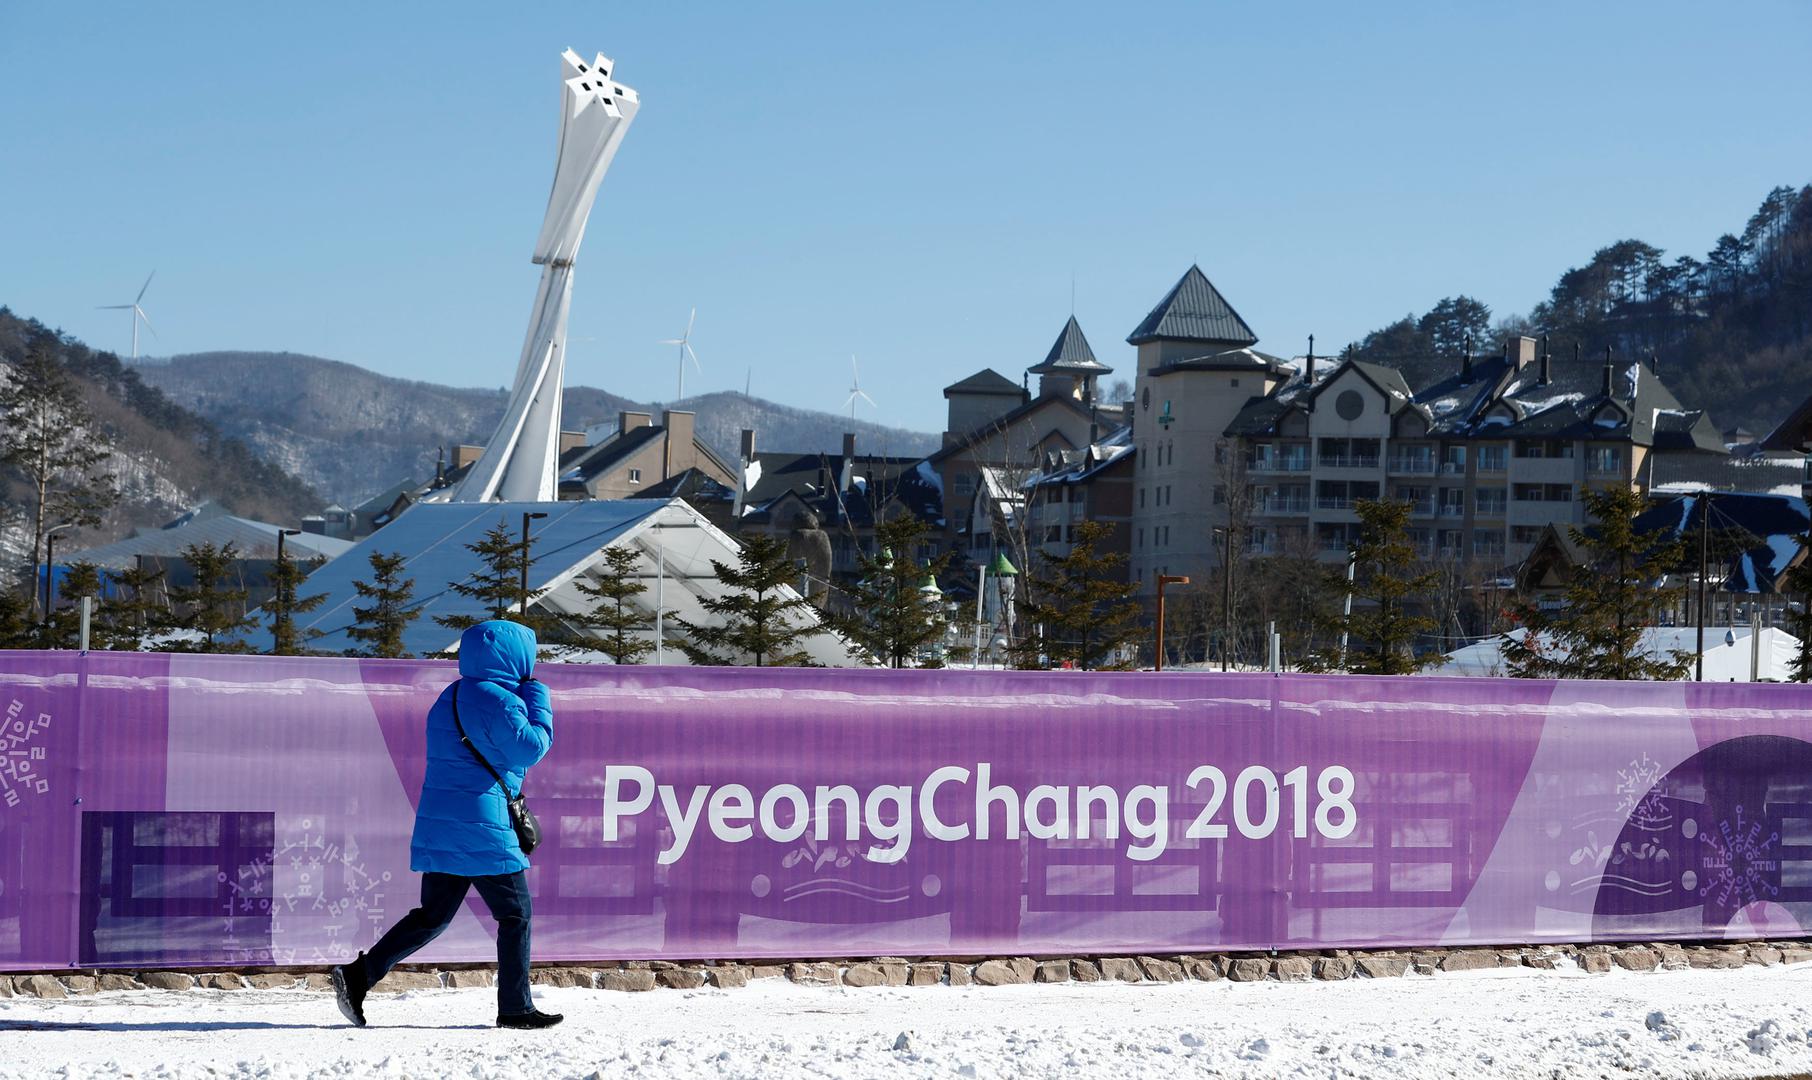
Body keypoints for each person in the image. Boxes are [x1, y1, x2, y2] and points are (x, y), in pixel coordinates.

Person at [331, 620, 560, 1029]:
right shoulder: (502, 701)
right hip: (483, 826)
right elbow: (531, 748)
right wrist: (538, 696)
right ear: (515, 656)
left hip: (443, 824)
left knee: (432, 916)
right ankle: (515, 1008)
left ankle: (358, 976)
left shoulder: (450, 695)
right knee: (515, 916)